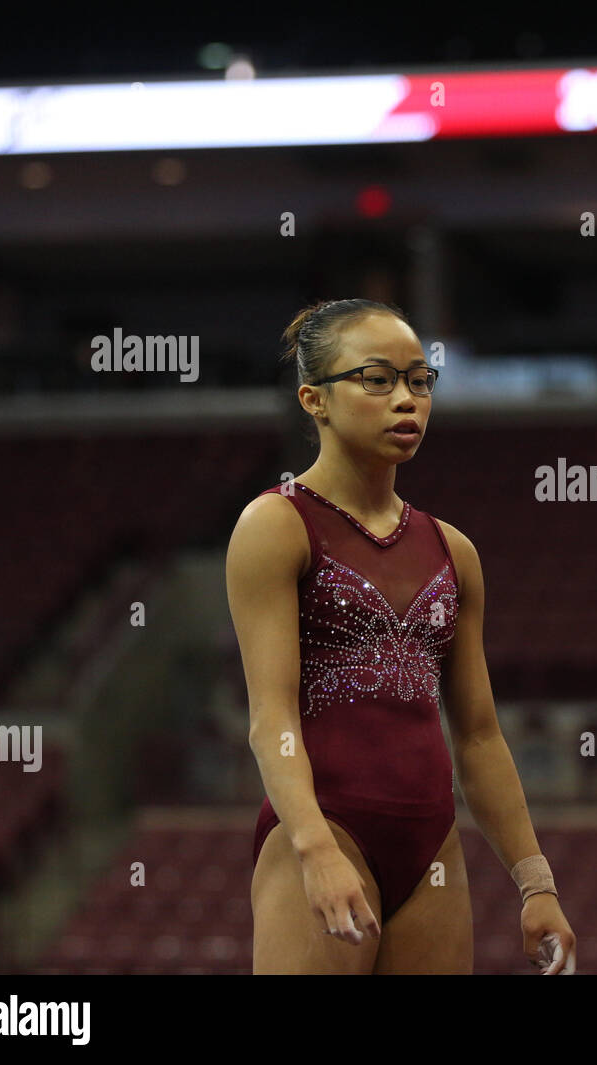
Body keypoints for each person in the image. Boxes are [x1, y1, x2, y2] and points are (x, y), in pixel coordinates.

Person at [226, 298, 576, 974]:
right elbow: (272, 716)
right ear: (314, 399)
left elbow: (478, 735)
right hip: (325, 824)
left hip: (430, 845)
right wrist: (314, 846)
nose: (406, 399)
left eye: (420, 380)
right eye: (377, 378)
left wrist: (537, 882)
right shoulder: (276, 525)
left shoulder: (453, 550)